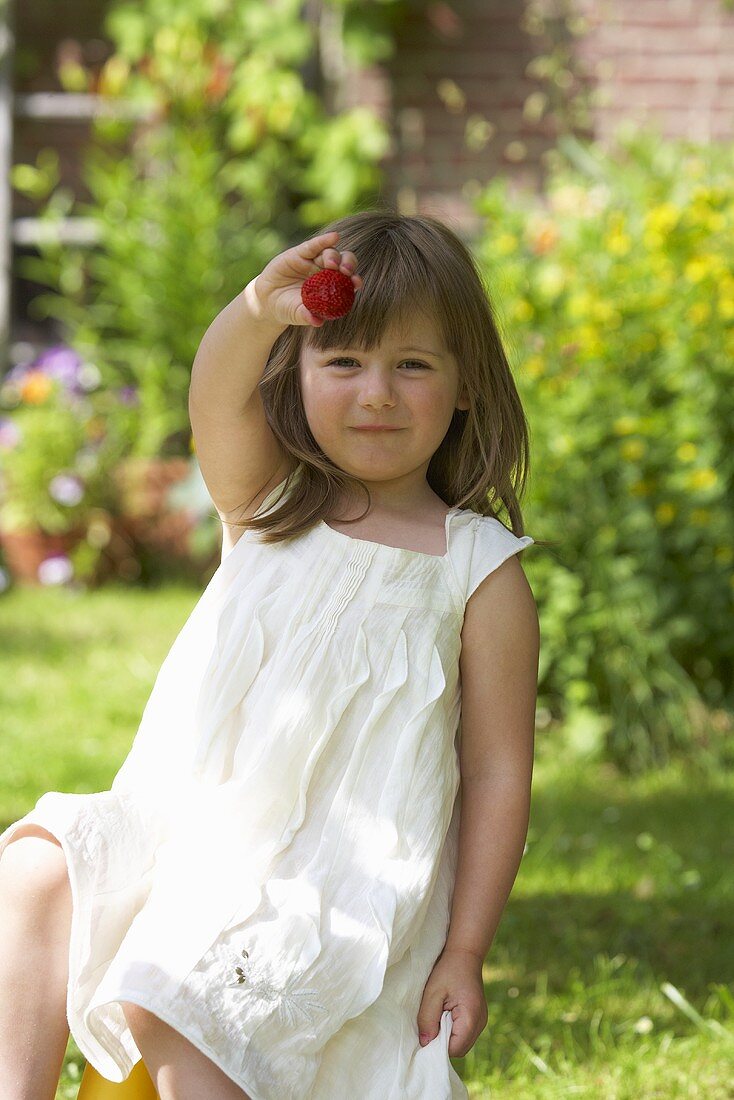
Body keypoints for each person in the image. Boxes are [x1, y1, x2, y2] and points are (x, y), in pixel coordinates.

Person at [0, 209, 540, 1100]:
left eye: (412, 365)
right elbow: (214, 394)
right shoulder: (268, 501)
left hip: (322, 892)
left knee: (182, 995)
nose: (377, 394)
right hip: (183, 836)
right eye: (344, 361)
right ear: (296, 370)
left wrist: (466, 950)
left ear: (467, 385)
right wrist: (259, 307)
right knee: (32, 870)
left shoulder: (477, 571)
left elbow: (495, 774)